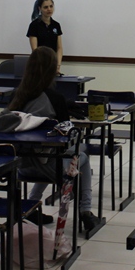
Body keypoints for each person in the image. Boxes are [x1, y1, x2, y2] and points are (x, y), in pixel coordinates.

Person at [7, 46, 98, 233]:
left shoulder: (18, 95)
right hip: (51, 167)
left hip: (22, 166)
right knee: (81, 155)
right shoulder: (55, 98)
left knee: (44, 153)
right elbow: (67, 136)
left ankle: (32, 204)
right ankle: (85, 211)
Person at [26, 0, 63, 70]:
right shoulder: (34, 25)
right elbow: (35, 50)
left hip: (53, 63)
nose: (49, 9)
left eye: (51, 6)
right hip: (39, 64)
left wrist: (58, 65)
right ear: (40, 8)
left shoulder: (56, 25)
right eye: (46, 7)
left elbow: (59, 48)